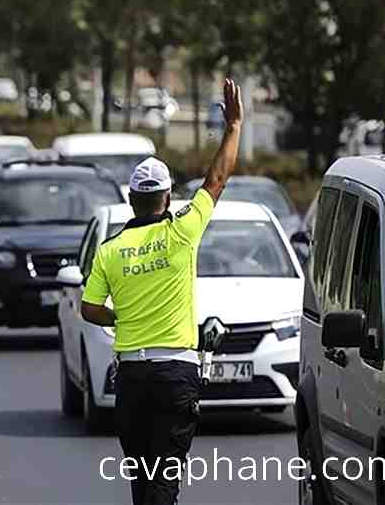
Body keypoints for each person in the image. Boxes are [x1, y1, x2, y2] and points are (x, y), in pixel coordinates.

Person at [80, 78, 243, 505]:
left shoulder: (111, 250)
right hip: (176, 376)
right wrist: (234, 126)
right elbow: (218, 179)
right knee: (164, 479)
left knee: (141, 478)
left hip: (133, 377)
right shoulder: (183, 231)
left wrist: (122, 317)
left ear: (132, 199)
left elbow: (89, 307)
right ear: (167, 198)